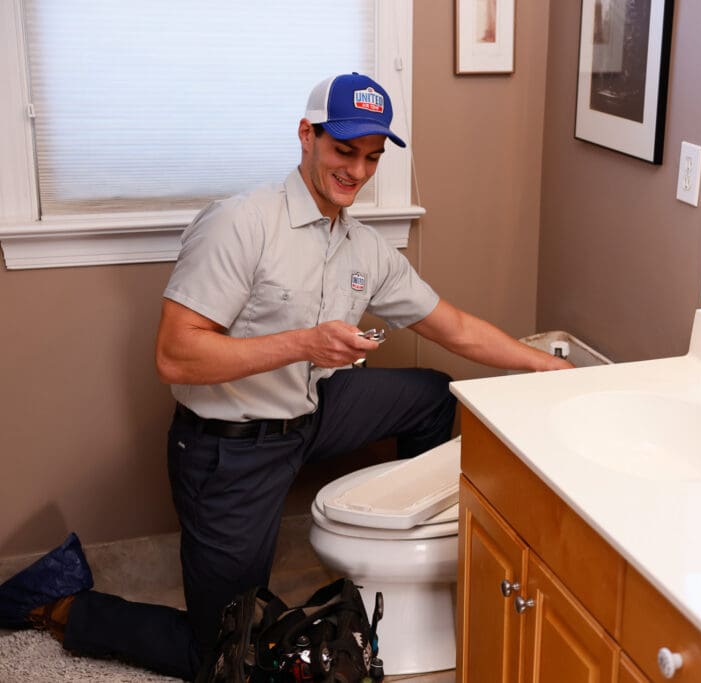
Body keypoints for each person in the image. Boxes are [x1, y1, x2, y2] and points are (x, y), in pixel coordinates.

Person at [0, 72, 571, 680]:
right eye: (343, 150)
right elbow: (176, 355)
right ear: (307, 135)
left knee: (432, 396)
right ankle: (61, 606)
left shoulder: (363, 248)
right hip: (230, 449)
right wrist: (305, 342)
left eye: (371, 157)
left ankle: (415, 564)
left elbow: (451, 326)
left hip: (311, 413)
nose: (356, 170)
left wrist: (550, 370)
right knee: (222, 654)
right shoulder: (241, 223)